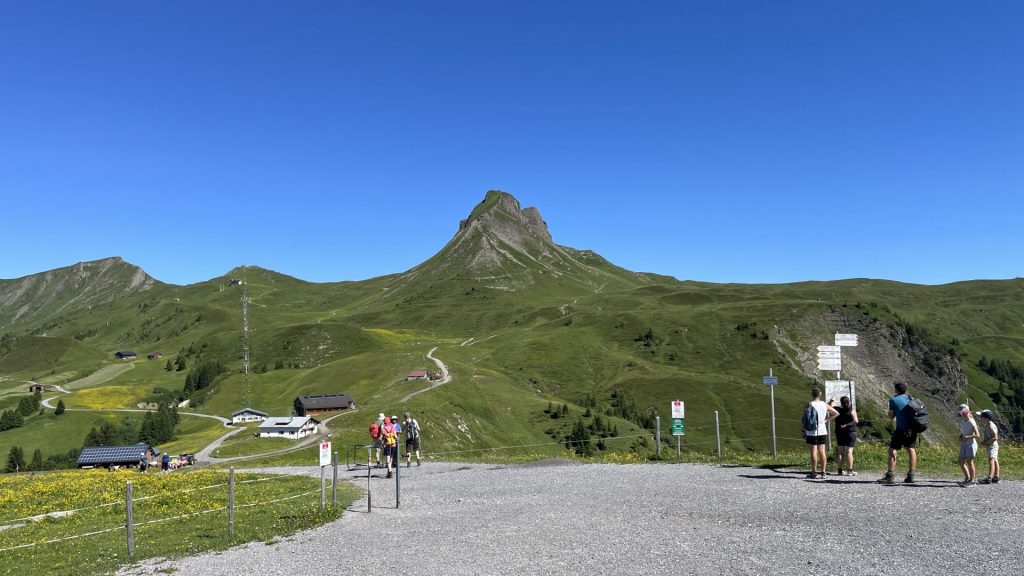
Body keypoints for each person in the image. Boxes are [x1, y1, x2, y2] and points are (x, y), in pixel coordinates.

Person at [878, 382, 918, 484]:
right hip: (912, 429)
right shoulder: (911, 399)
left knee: (892, 450)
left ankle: (890, 475)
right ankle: (911, 475)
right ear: (905, 390)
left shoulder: (894, 400)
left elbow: (891, 416)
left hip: (900, 429)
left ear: (896, 390)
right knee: (911, 450)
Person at [803, 388, 838, 479]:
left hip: (811, 431)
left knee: (813, 451)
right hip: (822, 430)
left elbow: (804, 419)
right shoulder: (824, 404)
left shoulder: (808, 404)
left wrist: (803, 430)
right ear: (820, 394)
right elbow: (836, 413)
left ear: (812, 394)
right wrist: (826, 420)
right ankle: (823, 473)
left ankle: (814, 472)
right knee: (822, 451)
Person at [832, 396, 859, 476]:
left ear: (841, 403)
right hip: (850, 432)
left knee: (840, 452)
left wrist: (833, 399)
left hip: (839, 432)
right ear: (849, 402)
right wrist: (847, 424)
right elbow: (856, 421)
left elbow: (830, 406)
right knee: (849, 451)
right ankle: (849, 471)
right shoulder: (851, 410)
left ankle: (840, 470)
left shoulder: (837, 410)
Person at [957, 404, 980, 487]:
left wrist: (967, 437)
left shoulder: (971, 422)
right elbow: (965, 431)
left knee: (970, 462)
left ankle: (972, 481)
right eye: (962, 412)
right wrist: (962, 435)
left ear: (968, 412)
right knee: (961, 461)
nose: (964, 414)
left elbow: (977, 435)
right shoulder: (963, 421)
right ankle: (967, 478)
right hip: (965, 443)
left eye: (965, 412)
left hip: (971, 444)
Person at [976, 409, 1000, 484]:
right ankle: (996, 477)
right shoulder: (988, 424)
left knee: (991, 460)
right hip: (992, 445)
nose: (980, 418)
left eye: (981, 417)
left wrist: (985, 442)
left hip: (992, 446)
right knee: (995, 460)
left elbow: (995, 437)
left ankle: (989, 478)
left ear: (986, 418)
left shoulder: (991, 425)